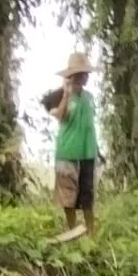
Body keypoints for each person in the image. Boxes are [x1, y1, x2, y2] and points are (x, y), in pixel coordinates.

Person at [50, 52, 99, 236]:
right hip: (67, 153)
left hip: (88, 153)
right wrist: (66, 94)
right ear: (71, 76)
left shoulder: (89, 98)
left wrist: (98, 151)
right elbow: (59, 117)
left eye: (86, 73)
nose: (84, 77)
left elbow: (89, 126)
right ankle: (72, 232)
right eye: (80, 74)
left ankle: (91, 234)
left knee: (88, 197)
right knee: (68, 199)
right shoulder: (59, 96)